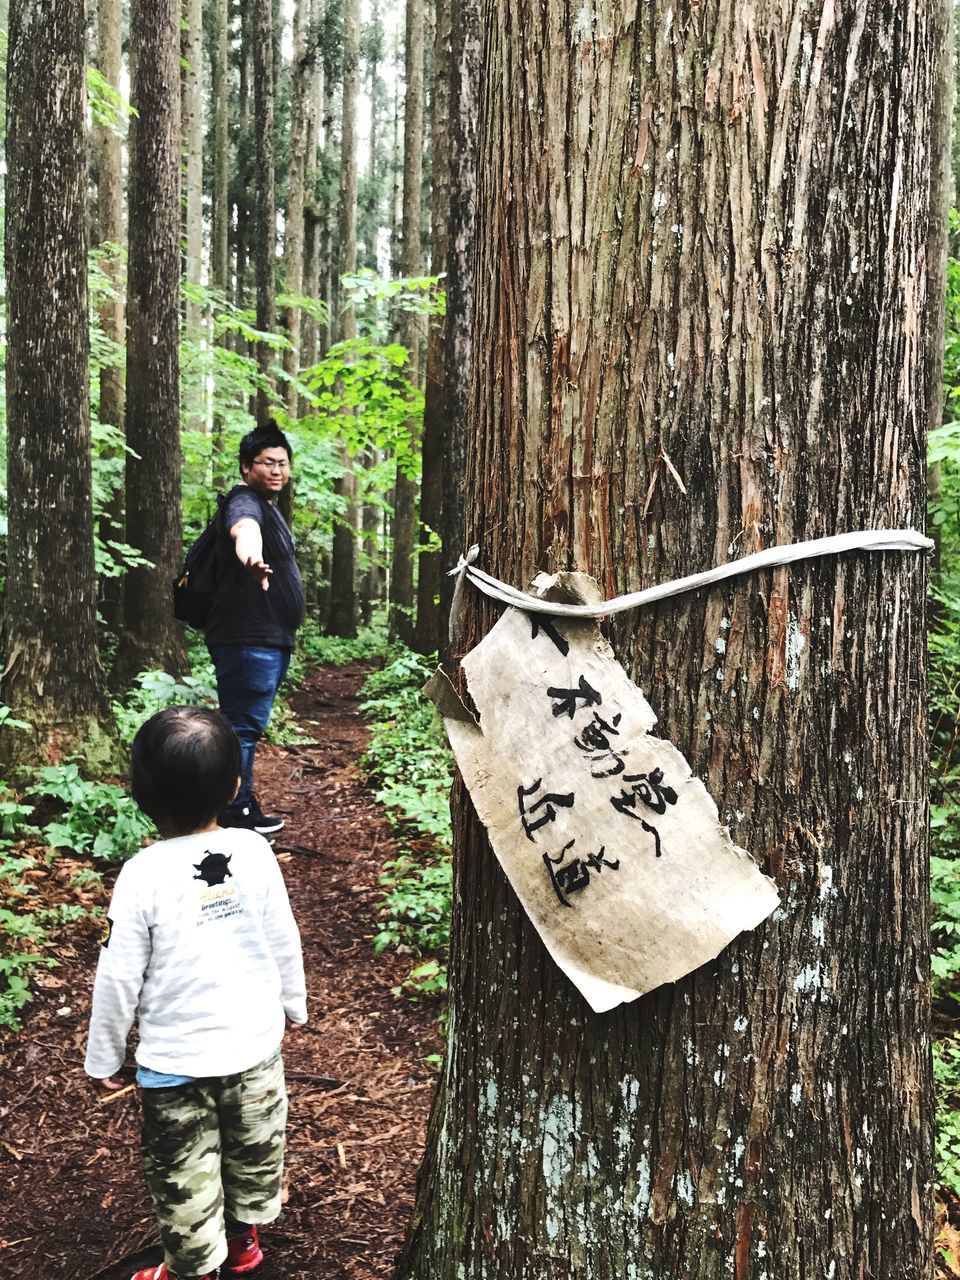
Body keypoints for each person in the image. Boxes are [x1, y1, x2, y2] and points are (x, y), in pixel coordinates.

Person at [84, 705, 307, 1280]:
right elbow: (284, 935)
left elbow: (117, 975)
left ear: (138, 793)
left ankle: (193, 1267)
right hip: (256, 1053)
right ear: (235, 786)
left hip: (174, 1068)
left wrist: (105, 1056)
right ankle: (243, 1246)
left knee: (185, 1174)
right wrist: (293, 1003)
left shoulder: (141, 875)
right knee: (253, 1154)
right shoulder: (255, 852)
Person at [205, 420, 305, 835]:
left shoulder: (269, 507)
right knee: (242, 729)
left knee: (245, 727)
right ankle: (234, 810)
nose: (278, 470)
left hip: (266, 640)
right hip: (249, 640)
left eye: (283, 463)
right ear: (247, 467)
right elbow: (243, 530)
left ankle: (237, 802)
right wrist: (250, 557)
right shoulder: (244, 502)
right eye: (268, 463)